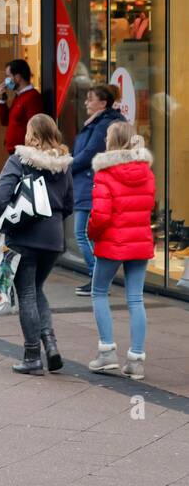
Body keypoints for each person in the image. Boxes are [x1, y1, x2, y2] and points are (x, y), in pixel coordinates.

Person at [0, 113, 74, 375]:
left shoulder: (20, 160)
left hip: (24, 236)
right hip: (53, 239)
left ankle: (31, 356)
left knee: (26, 292)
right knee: (36, 289)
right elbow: (69, 203)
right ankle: (50, 345)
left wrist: (8, 219)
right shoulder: (63, 164)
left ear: (31, 134)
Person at [86, 121, 155, 381]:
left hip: (112, 241)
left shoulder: (106, 173)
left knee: (99, 291)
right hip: (139, 240)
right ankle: (136, 359)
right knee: (135, 299)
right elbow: (148, 205)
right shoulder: (146, 172)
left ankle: (107, 352)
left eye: (107, 136)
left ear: (112, 141)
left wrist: (91, 233)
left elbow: (101, 216)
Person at [69, 84, 126, 297]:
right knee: (88, 234)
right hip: (87, 182)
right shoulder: (98, 122)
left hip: (91, 183)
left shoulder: (103, 124)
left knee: (82, 233)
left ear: (103, 103)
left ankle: (98, 278)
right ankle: (98, 278)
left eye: (90, 99)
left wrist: (67, 165)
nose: (85, 102)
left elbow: (90, 153)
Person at [0, 58, 44, 157]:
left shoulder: (32, 97)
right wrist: (2, 100)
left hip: (24, 154)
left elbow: (35, 129)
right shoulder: (19, 96)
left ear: (17, 77)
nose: (6, 81)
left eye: (8, 76)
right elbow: (5, 121)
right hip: (15, 153)